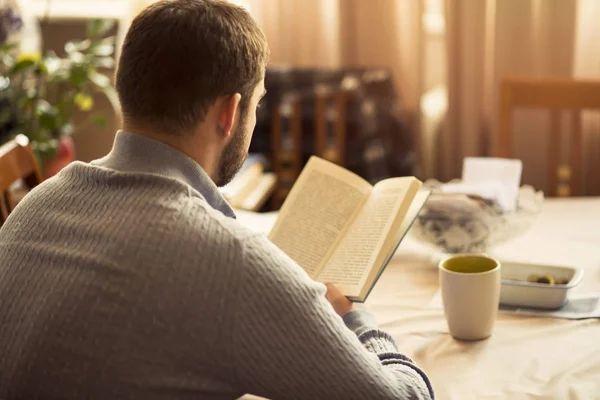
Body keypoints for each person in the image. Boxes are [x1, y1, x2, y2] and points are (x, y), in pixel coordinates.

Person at [0, 1, 434, 399]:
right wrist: (353, 318)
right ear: (229, 113)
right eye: (258, 103)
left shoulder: (31, 210)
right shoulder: (232, 262)